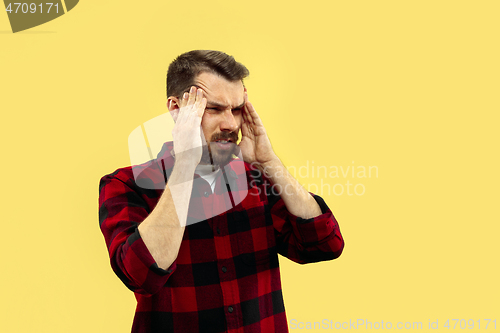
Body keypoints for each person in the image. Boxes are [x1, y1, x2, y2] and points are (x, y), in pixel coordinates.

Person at [98, 50, 344, 333]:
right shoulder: (127, 185)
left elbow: (325, 245)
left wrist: (270, 162)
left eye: (237, 109)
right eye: (214, 109)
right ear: (177, 109)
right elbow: (142, 275)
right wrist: (186, 162)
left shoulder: (258, 181)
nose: (231, 124)